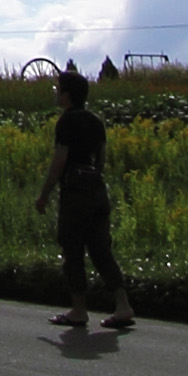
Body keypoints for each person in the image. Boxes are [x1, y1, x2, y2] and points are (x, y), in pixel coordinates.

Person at [43, 64, 135, 333]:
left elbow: (60, 160)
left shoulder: (66, 121)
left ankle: (79, 309)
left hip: (75, 193)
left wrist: (44, 194)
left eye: (58, 89)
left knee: (72, 249)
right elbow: (102, 159)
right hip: (97, 190)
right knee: (101, 250)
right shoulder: (96, 121)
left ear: (67, 95)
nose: (56, 93)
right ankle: (122, 304)